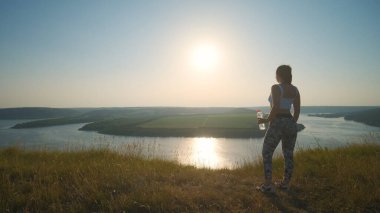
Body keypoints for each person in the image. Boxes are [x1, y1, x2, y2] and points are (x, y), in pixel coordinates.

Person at [256, 65, 301, 193]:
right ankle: (285, 183)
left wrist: (265, 120)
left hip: (277, 122)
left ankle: (268, 184)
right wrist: (291, 123)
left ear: (278, 74)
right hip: (291, 123)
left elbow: (275, 107)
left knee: (267, 152)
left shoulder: (276, 87)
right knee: (288, 154)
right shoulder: (295, 90)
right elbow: (297, 111)